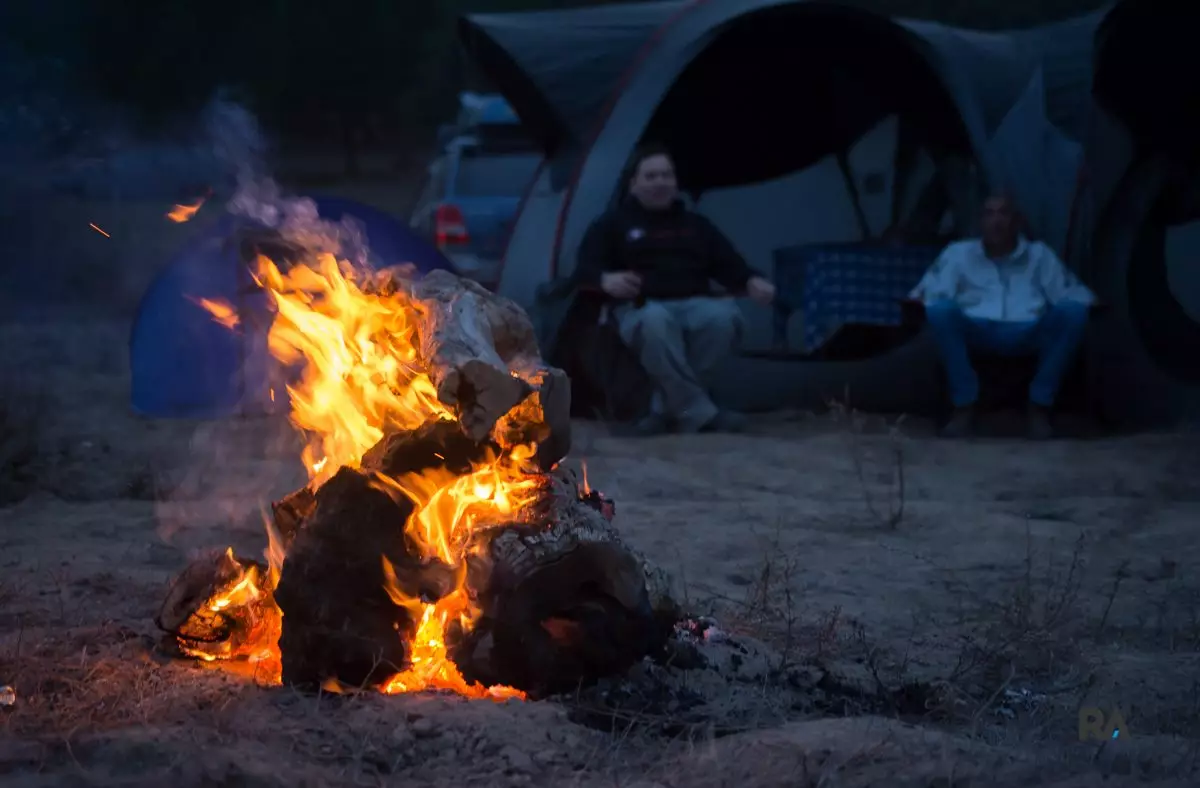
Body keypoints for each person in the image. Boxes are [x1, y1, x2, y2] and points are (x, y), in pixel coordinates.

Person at [573, 144, 776, 435]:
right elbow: (584, 270)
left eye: (666, 176)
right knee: (657, 322)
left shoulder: (696, 226)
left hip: (694, 302)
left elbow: (731, 266)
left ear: (675, 182)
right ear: (634, 184)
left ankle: (662, 411)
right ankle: (702, 413)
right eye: (651, 176)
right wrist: (606, 280)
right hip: (640, 307)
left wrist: (752, 281)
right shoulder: (611, 225)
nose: (660, 183)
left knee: (724, 318)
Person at [909, 192, 1095, 439]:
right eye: (989, 214)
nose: (996, 221)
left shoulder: (1038, 255)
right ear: (980, 222)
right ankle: (965, 403)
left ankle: (1039, 403)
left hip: (1028, 329)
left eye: (1003, 213)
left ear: (1016, 221)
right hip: (977, 328)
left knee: (1074, 313)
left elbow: (1071, 294)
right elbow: (926, 293)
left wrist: (1090, 302)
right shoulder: (958, 254)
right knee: (940, 311)